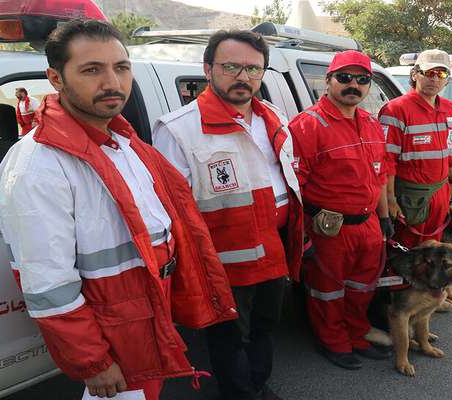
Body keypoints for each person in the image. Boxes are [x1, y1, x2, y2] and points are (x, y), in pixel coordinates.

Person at [0, 20, 237, 400]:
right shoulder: (38, 164)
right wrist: (94, 363)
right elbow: (48, 285)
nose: (112, 82)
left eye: (121, 68)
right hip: (113, 330)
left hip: (144, 310)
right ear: (55, 79)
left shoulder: (121, 140)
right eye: (92, 70)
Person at [153, 30, 303, 400]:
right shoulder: (179, 129)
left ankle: (258, 384)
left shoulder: (275, 117)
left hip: (275, 248)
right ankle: (240, 393)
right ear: (208, 69)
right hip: (224, 261)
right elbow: (173, 209)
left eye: (253, 68)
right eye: (231, 66)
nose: (243, 76)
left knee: (267, 329)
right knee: (229, 337)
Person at [288, 50, 392, 370]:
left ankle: (357, 333)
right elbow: (294, 188)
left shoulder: (372, 124)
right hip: (329, 228)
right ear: (328, 80)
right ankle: (332, 340)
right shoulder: (307, 126)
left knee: (363, 287)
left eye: (362, 80)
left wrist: (385, 217)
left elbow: (380, 175)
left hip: (369, 225)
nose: (353, 86)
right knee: (327, 291)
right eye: (344, 78)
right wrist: (303, 236)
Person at [378, 49, 452, 309]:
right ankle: (400, 308)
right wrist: (390, 199)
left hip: (439, 192)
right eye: (428, 73)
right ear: (415, 75)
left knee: (434, 250)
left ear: (447, 79)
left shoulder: (449, 108)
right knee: (409, 254)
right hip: (410, 197)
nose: (434, 79)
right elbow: (386, 160)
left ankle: (427, 299)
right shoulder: (396, 109)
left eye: (441, 73)